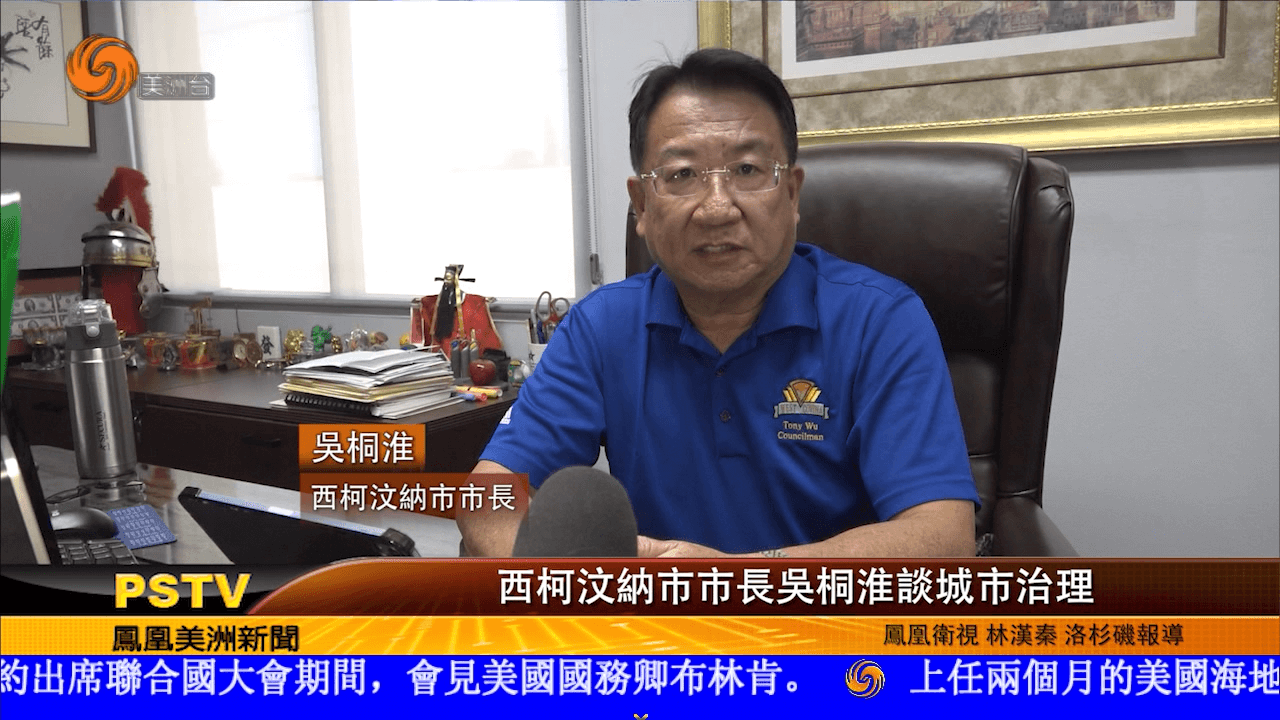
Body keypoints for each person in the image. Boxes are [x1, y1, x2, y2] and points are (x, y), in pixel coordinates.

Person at [458, 48, 979, 558]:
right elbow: (487, 498)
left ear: (792, 194)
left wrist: (734, 583)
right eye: (682, 175)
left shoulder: (880, 321)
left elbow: (942, 536)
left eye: (748, 170)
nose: (716, 208)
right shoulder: (601, 327)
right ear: (641, 205)